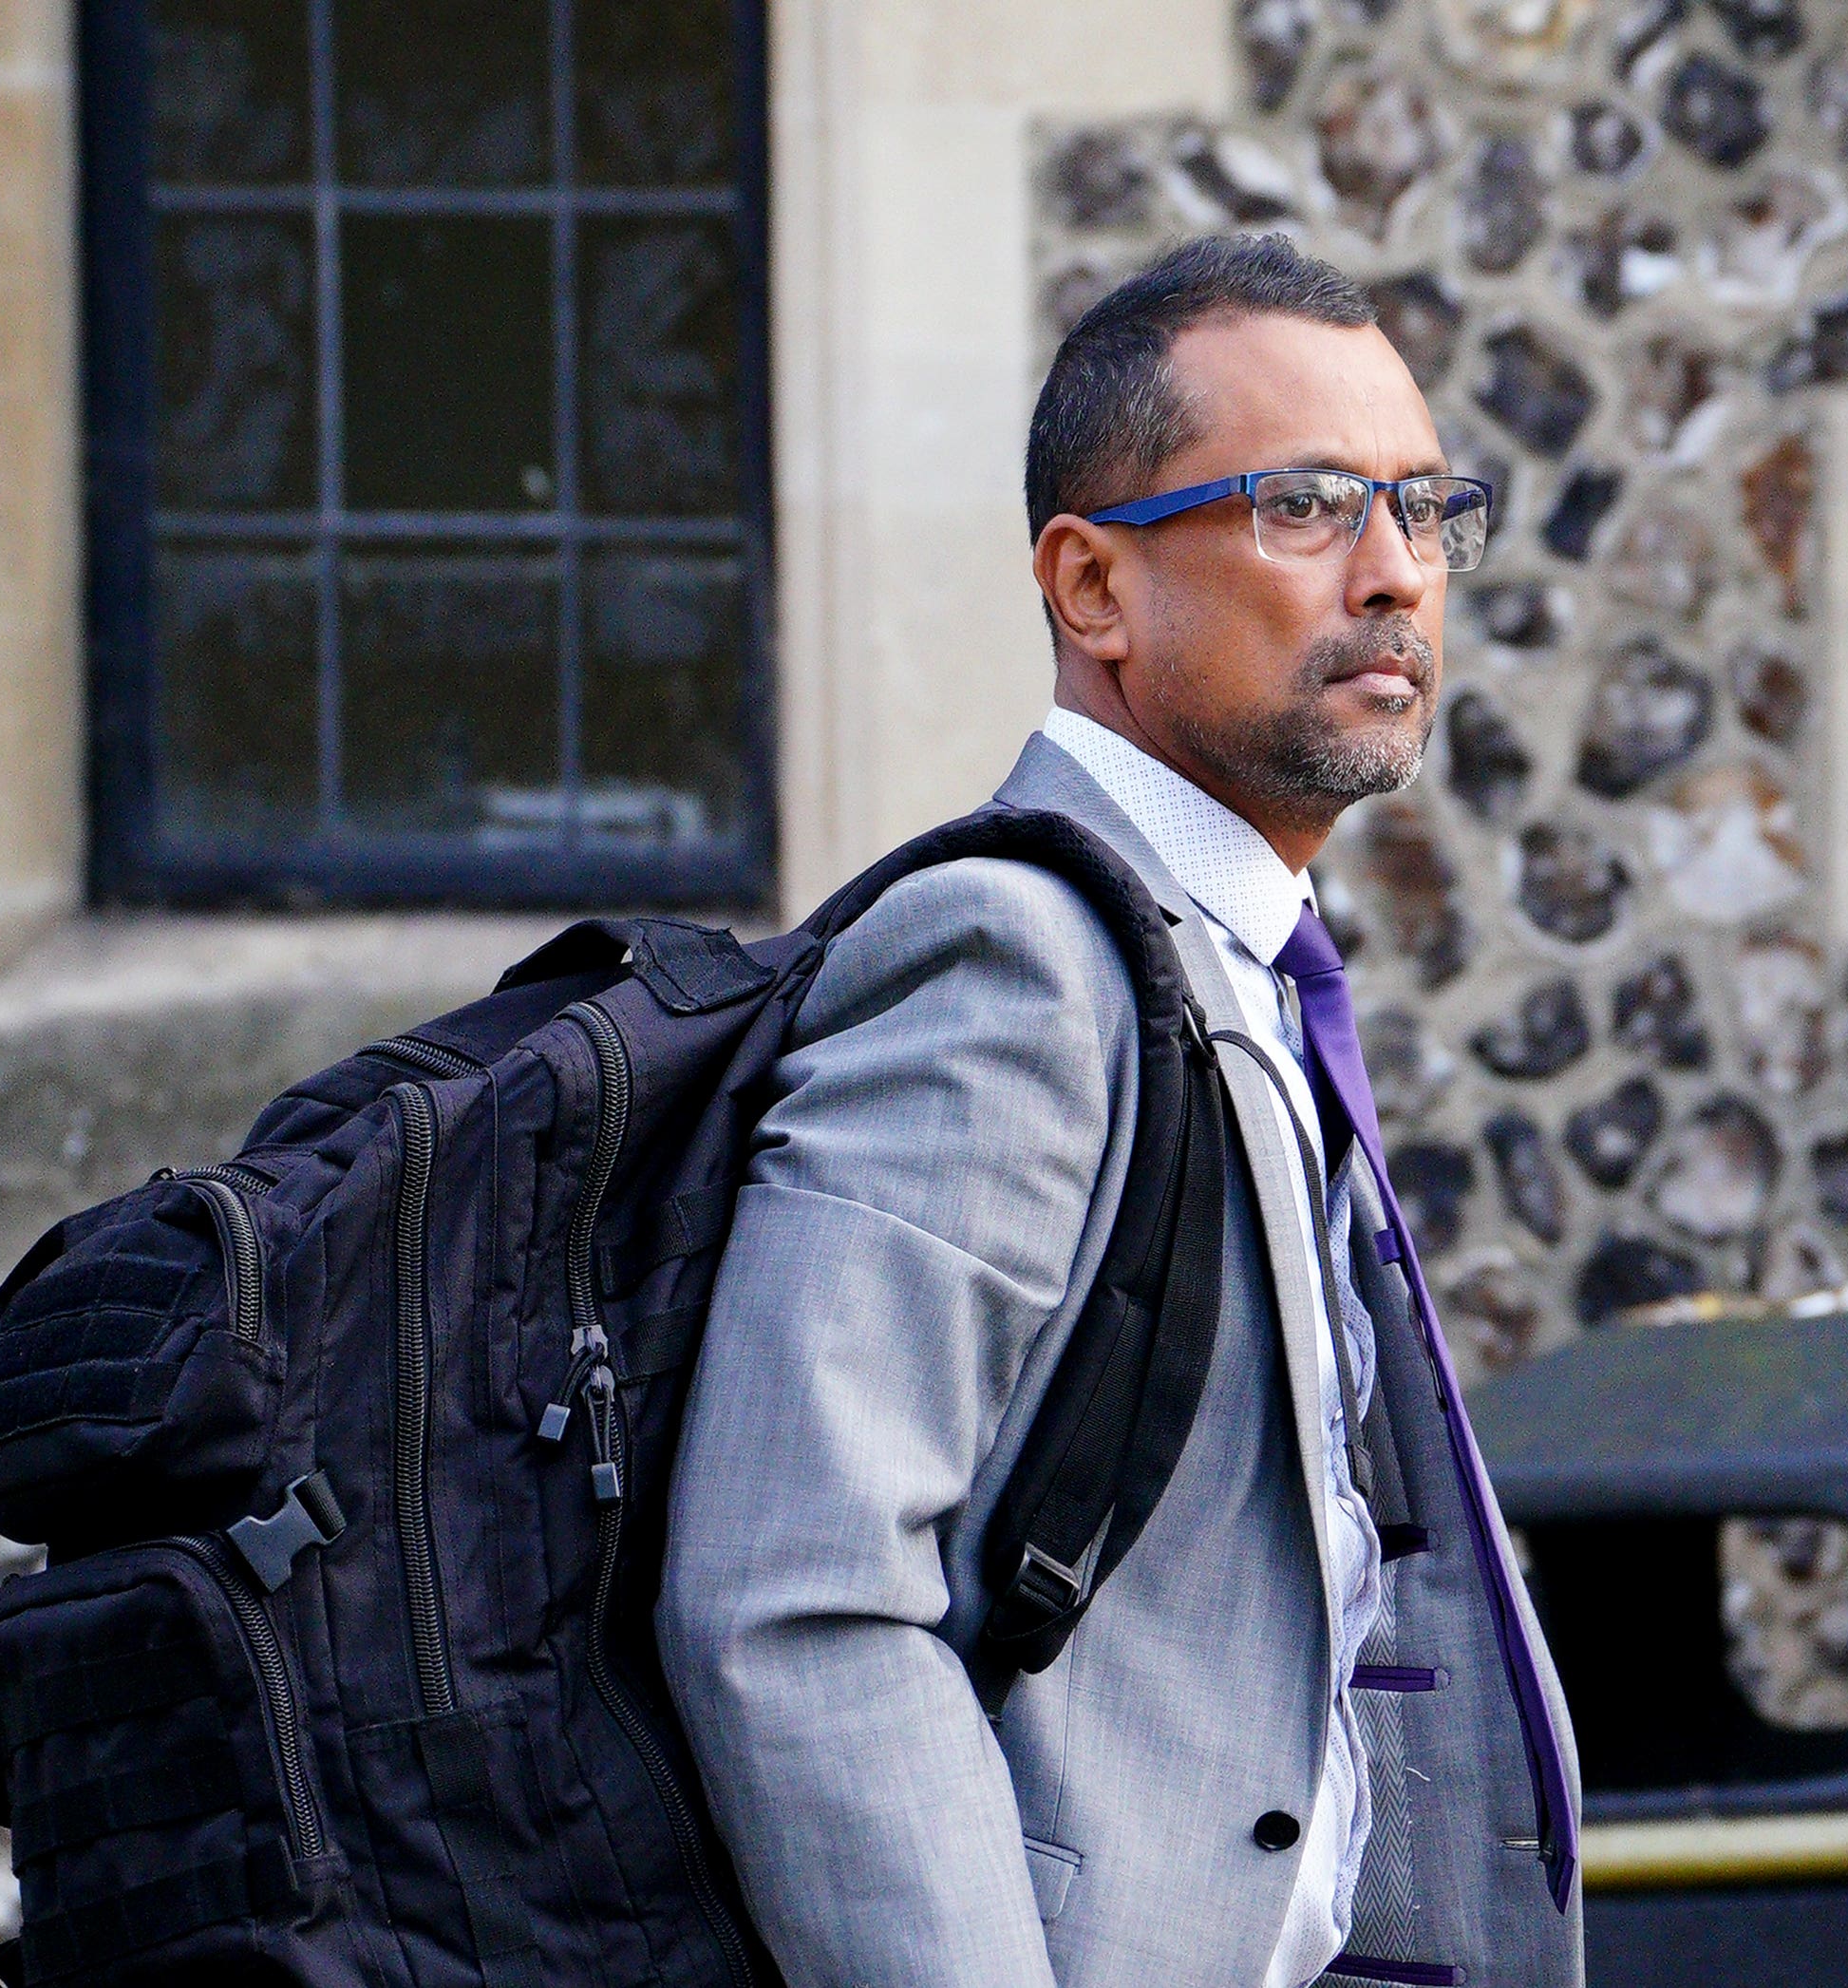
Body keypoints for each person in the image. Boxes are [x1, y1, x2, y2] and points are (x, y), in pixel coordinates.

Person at [658, 233, 1585, 1988]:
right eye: (1306, 507)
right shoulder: (1015, 962)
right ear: (1092, 590)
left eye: (1422, 507)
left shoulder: (1232, 962)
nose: (1394, 576)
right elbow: (794, 1591)